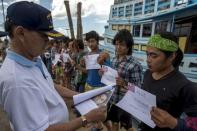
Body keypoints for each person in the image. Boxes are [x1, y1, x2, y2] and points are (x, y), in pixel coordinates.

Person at [0, 1, 106, 131]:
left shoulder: (33, 58)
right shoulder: (17, 82)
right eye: (44, 36)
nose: (48, 41)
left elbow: (50, 85)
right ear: (21, 33)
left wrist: (82, 96)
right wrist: (86, 118)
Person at [140, 32, 197, 131]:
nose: (148, 60)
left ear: (171, 56)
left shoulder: (184, 85)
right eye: (147, 54)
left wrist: (173, 122)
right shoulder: (147, 74)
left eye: (154, 56)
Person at [104, 29, 143, 131]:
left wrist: (124, 83)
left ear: (128, 46)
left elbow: (138, 88)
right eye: (116, 44)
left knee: (127, 126)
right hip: (113, 98)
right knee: (114, 122)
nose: (118, 47)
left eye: (121, 45)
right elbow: (110, 78)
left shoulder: (135, 64)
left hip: (125, 102)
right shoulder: (114, 59)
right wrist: (103, 74)